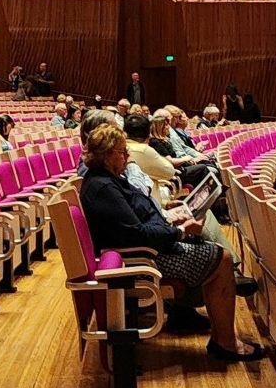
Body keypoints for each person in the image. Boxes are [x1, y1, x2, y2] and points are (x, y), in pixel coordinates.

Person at [79, 124, 265, 362]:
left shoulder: (107, 179)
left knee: (212, 251)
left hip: (150, 247)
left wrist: (169, 215)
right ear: (106, 155)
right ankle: (226, 343)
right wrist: (179, 231)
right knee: (222, 260)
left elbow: (137, 217)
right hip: (145, 259)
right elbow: (137, 234)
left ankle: (220, 335)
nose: (127, 157)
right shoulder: (103, 187)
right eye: (122, 152)